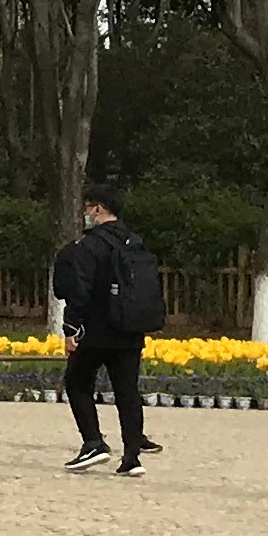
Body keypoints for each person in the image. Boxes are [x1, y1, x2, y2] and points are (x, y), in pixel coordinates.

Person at [52, 184, 159, 479]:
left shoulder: (89, 246)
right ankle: (132, 456)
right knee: (127, 391)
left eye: (88, 207)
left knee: (77, 383)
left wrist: (71, 328)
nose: (86, 213)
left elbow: (79, 291)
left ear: (98, 209)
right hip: (130, 328)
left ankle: (93, 442)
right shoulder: (134, 241)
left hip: (97, 329)